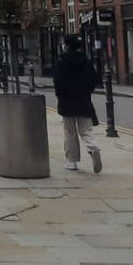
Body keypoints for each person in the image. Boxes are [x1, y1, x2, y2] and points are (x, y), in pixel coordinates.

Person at [52, 35, 102, 173]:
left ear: (67, 46)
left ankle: (72, 162)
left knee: (70, 132)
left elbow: (58, 81)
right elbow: (93, 78)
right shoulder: (86, 60)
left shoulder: (62, 61)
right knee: (86, 130)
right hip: (83, 99)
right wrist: (86, 91)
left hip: (67, 101)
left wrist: (60, 95)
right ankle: (93, 148)